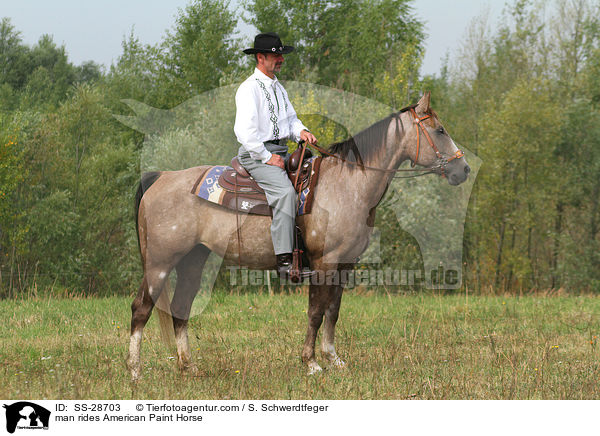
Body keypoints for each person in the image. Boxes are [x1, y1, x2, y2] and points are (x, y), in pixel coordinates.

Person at [234, 32, 317, 278]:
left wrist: (301, 131)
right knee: (284, 193)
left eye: (281, 55)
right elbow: (245, 132)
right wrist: (266, 156)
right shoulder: (248, 89)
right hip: (256, 154)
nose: (280, 59)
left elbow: (290, 120)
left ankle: (307, 249)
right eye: (275, 55)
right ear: (260, 57)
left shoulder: (278, 88)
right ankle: (283, 261)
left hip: (281, 149)